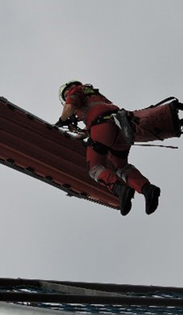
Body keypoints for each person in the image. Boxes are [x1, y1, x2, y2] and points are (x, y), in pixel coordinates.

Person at [55, 81, 161, 216]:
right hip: (122, 127)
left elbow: (70, 107)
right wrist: (82, 134)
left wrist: (62, 120)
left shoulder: (75, 90)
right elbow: (96, 117)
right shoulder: (95, 95)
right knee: (121, 167)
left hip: (102, 127)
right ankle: (148, 189)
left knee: (95, 168)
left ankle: (120, 189)